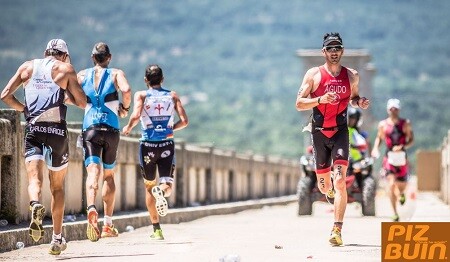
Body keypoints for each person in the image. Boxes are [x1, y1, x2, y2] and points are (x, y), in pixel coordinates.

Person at [0, 39, 87, 255]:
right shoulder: (65, 69)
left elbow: (5, 96)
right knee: (57, 188)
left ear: (45, 52)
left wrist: (24, 109)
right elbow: (83, 102)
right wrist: (66, 94)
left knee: (34, 179)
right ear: (65, 55)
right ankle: (57, 239)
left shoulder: (27, 67)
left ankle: (35, 204)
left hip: (33, 130)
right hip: (56, 132)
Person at [295, 32, 370, 246]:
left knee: (339, 181)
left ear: (342, 51)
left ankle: (336, 230)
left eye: (337, 48)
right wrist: (320, 99)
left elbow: (353, 99)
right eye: (330, 49)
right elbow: (299, 103)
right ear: (324, 52)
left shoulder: (352, 75)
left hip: (339, 132)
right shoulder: (313, 75)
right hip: (319, 132)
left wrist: (360, 102)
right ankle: (326, 188)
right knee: (323, 185)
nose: (334, 52)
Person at [122, 64, 188, 240]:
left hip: (147, 147)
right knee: (167, 185)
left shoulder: (142, 95)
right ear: (162, 79)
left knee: (149, 187)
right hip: (166, 145)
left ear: (146, 80)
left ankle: (156, 229)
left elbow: (136, 116)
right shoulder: (172, 95)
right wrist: (170, 128)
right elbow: (184, 121)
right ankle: (162, 190)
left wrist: (128, 128)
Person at [77, 42, 132, 241]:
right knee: (108, 175)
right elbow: (126, 91)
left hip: (90, 128)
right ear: (109, 57)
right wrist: (124, 108)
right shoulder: (116, 73)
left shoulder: (82, 75)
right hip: (111, 129)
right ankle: (108, 224)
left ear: (93, 58)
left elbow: (68, 95)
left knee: (92, 171)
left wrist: (85, 103)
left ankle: (91, 208)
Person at [371, 98, 414, 222]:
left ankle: (401, 194)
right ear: (388, 110)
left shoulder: (405, 123)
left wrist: (403, 146)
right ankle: (395, 213)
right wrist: (375, 149)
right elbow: (379, 138)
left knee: (401, 185)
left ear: (399, 109)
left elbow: (411, 139)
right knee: (390, 184)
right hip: (389, 157)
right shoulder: (383, 125)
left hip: (402, 158)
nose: (393, 111)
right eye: (391, 108)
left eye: (395, 108)